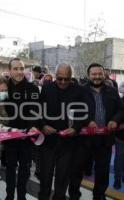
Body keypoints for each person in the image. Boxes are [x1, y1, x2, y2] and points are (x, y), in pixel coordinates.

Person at [69, 63, 124, 200]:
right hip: (83, 140)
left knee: (102, 171)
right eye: (94, 74)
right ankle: (74, 195)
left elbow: (121, 109)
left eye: (100, 74)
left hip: (105, 140)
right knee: (77, 170)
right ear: (89, 75)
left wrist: (115, 120)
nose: (97, 77)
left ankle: (99, 196)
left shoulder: (111, 91)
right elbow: (74, 110)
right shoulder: (80, 91)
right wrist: (87, 121)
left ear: (104, 74)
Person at [38, 64, 86, 200]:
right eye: (60, 79)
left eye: (67, 79)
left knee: (63, 177)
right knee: (45, 176)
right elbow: (37, 111)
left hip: (68, 142)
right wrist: (43, 125)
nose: (63, 82)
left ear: (71, 77)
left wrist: (76, 128)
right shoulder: (47, 88)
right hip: (48, 141)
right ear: (55, 76)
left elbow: (82, 113)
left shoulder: (78, 90)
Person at [4, 58, 40, 200]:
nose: (19, 72)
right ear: (10, 70)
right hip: (9, 136)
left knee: (25, 170)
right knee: (10, 168)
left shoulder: (33, 88)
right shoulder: (4, 87)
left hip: (26, 137)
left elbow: (36, 111)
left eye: (21, 68)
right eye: (16, 69)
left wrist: (32, 127)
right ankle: (9, 196)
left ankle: (21, 196)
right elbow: (1, 110)